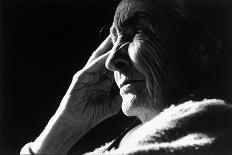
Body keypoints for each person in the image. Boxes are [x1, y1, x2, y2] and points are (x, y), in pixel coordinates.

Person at [21, 0, 232, 154]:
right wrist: (67, 125)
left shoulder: (213, 127)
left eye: (138, 31)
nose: (111, 61)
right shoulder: (130, 140)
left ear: (205, 49)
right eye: (114, 40)